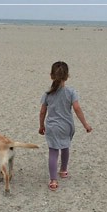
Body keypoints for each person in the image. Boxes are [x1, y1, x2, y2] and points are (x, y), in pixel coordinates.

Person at [39, 61, 92, 191]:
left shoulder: (47, 94)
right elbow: (77, 108)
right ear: (67, 76)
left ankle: (53, 180)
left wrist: (41, 125)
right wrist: (85, 124)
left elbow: (42, 111)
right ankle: (63, 170)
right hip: (67, 126)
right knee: (65, 146)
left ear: (51, 76)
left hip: (52, 127)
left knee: (53, 151)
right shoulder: (71, 92)